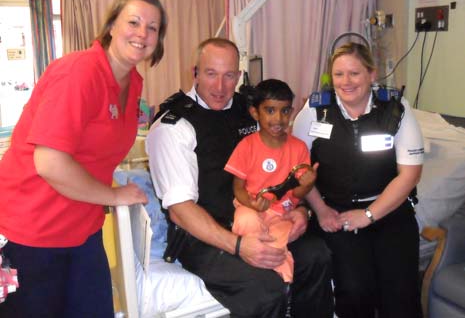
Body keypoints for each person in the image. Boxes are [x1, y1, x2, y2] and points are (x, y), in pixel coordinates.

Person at [0, 0, 167, 318]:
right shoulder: (79, 72)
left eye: (153, 27)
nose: (142, 33)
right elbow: (50, 162)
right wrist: (113, 195)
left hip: (82, 225)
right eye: (133, 22)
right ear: (111, 27)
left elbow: (97, 152)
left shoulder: (132, 82)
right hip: (33, 228)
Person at [146, 37, 334, 318]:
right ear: (195, 72)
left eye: (229, 75)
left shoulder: (251, 111)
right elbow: (181, 212)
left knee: (317, 256)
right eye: (211, 74)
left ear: (238, 74)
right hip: (207, 235)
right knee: (265, 289)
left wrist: (301, 211)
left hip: (266, 218)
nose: (221, 87)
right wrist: (238, 246)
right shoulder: (174, 126)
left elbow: (287, 166)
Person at [293, 42, 425, 318]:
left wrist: (368, 214)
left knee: (400, 295)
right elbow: (298, 170)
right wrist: (320, 210)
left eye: (354, 73)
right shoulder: (315, 111)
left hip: (389, 212)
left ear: (371, 74)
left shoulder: (395, 109)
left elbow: (410, 174)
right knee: (355, 290)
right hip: (335, 213)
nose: (346, 82)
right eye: (338, 74)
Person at [224, 79, 318, 283]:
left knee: (279, 241)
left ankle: (281, 280)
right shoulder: (246, 145)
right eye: (270, 111)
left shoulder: (299, 148)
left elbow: (298, 194)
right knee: (246, 221)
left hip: (281, 214)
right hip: (250, 207)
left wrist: (308, 183)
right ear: (255, 113)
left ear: (291, 112)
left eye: (284, 111)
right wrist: (252, 204)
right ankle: (264, 271)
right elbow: (238, 187)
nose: (278, 118)